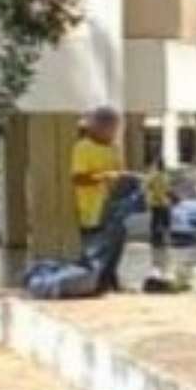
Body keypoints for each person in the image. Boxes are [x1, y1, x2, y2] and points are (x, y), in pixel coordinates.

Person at [71, 105, 125, 293]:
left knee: (116, 244)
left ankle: (110, 280)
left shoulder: (114, 148)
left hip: (114, 206)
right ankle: (92, 282)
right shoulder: (83, 147)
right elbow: (78, 178)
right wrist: (104, 177)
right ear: (99, 127)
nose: (114, 133)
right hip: (92, 209)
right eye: (112, 128)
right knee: (96, 248)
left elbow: (119, 172)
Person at [145, 154, 172, 252]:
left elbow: (147, 186)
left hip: (159, 202)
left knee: (159, 221)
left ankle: (158, 240)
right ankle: (157, 240)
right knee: (160, 221)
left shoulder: (157, 175)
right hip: (159, 202)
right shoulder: (160, 175)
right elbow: (148, 186)